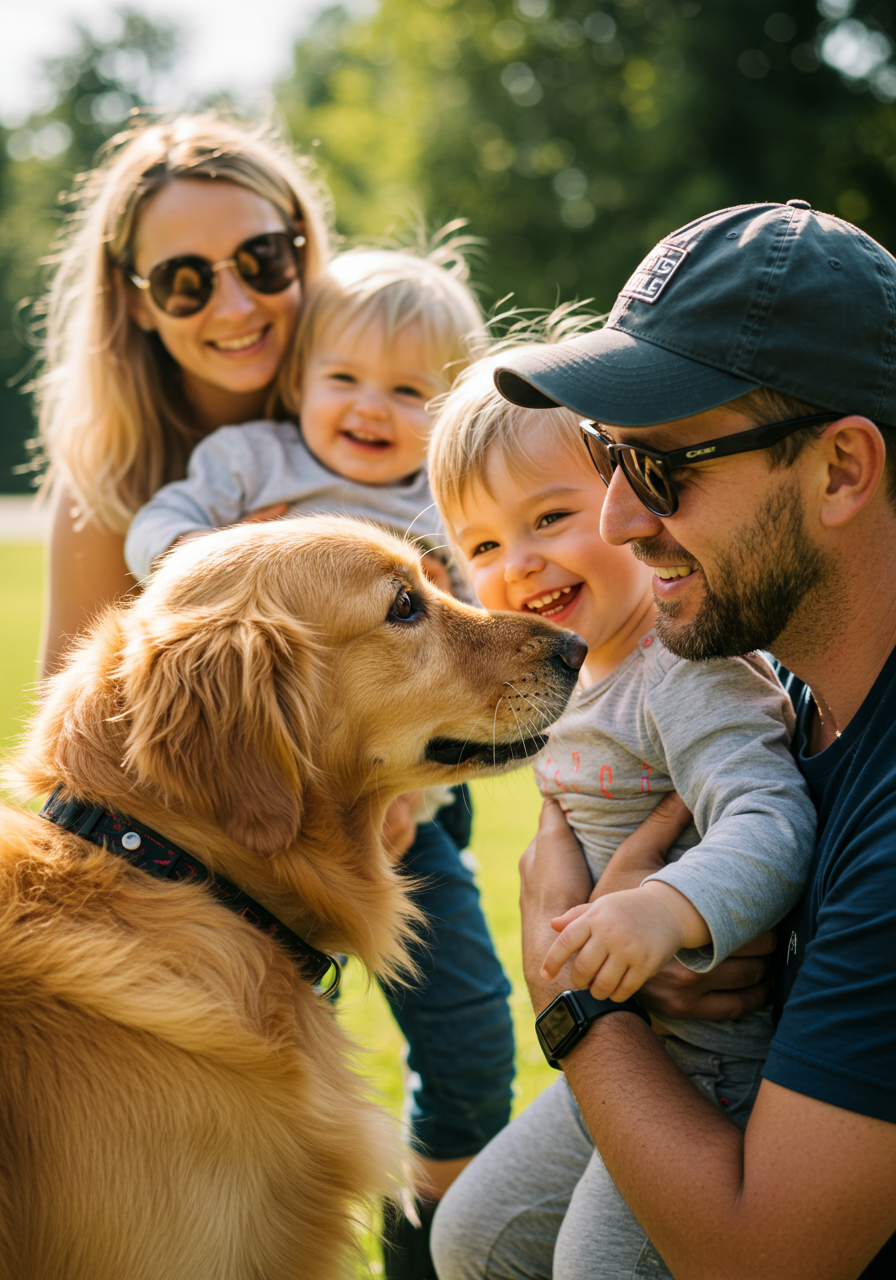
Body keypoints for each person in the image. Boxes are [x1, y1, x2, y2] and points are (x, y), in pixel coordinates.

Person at [33, 113, 513, 1277]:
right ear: (137, 301)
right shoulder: (120, 483)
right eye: (185, 280)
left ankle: (444, 1232)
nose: (234, 304)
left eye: (260, 262)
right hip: (204, 852)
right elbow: (74, 729)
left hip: (387, 819)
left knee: (464, 1023)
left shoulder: (375, 405)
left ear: (305, 248)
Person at [431, 200, 896, 1279]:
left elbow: (759, 1255)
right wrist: (670, 958)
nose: (614, 521)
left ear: (838, 469)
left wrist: (573, 996)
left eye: (662, 466)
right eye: (606, 457)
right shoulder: (784, 681)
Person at [123, 245, 481, 592]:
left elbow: (487, 605)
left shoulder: (446, 506)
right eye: (344, 378)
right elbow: (154, 525)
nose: (371, 408)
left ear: (450, 414)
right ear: (297, 383)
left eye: (407, 391)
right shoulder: (255, 459)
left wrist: (446, 605)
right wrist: (215, 554)